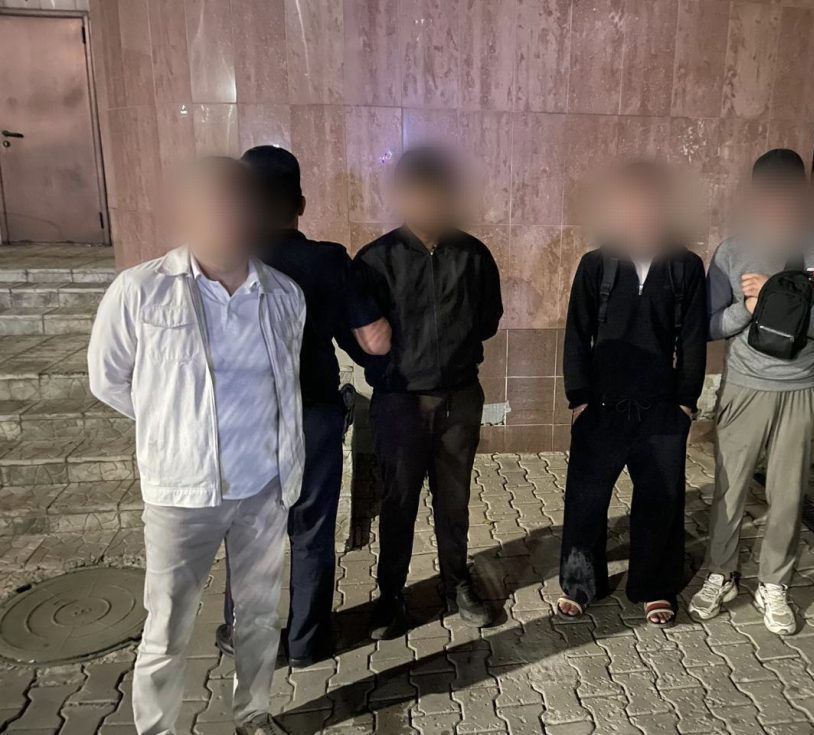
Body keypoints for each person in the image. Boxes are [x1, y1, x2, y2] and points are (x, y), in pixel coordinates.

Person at [88, 157, 305, 735]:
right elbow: (108, 380)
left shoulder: (283, 294)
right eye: (213, 203)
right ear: (186, 212)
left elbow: (284, 384)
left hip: (263, 490)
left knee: (258, 617)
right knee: (167, 627)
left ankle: (253, 713)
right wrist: (175, 428)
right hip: (181, 496)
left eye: (239, 202)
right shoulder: (141, 291)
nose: (228, 215)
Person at [213, 146, 391, 668]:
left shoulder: (219, 260)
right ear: (301, 204)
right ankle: (308, 641)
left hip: (243, 423)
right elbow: (375, 342)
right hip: (312, 417)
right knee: (311, 531)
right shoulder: (327, 261)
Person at [689, 148, 814, 635]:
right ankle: (720, 572)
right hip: (745, 388)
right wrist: (747, 307)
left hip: (801, 390)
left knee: (787, 495)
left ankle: (774, 583)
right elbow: (706, 325)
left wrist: (779, 299)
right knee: (730, 489)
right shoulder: (733, 251)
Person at [354, 146, 503, 639]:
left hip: (459, 398)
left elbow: (488, 320)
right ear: (401, 197)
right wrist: (387, 367)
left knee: (454, 501)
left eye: (437, 195)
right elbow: (356, 333)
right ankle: (391, 595)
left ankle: (456, 583)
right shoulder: (376, 260)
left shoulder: (474, 256)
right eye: (417, 195)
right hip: (399, 402)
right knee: (398, 502)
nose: (428, 205)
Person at [558, 161, 707, 626]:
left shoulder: (685, 266)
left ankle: (654, 587)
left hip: (661, 408)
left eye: (649, 200)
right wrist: (579, 398)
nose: (640, 210)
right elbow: (576, 334)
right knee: (585, 502)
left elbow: (694, 340)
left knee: (660, 502)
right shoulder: (596, 265)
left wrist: (685, 402)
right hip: (601, 407)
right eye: (630, 201)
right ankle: (581, 584)